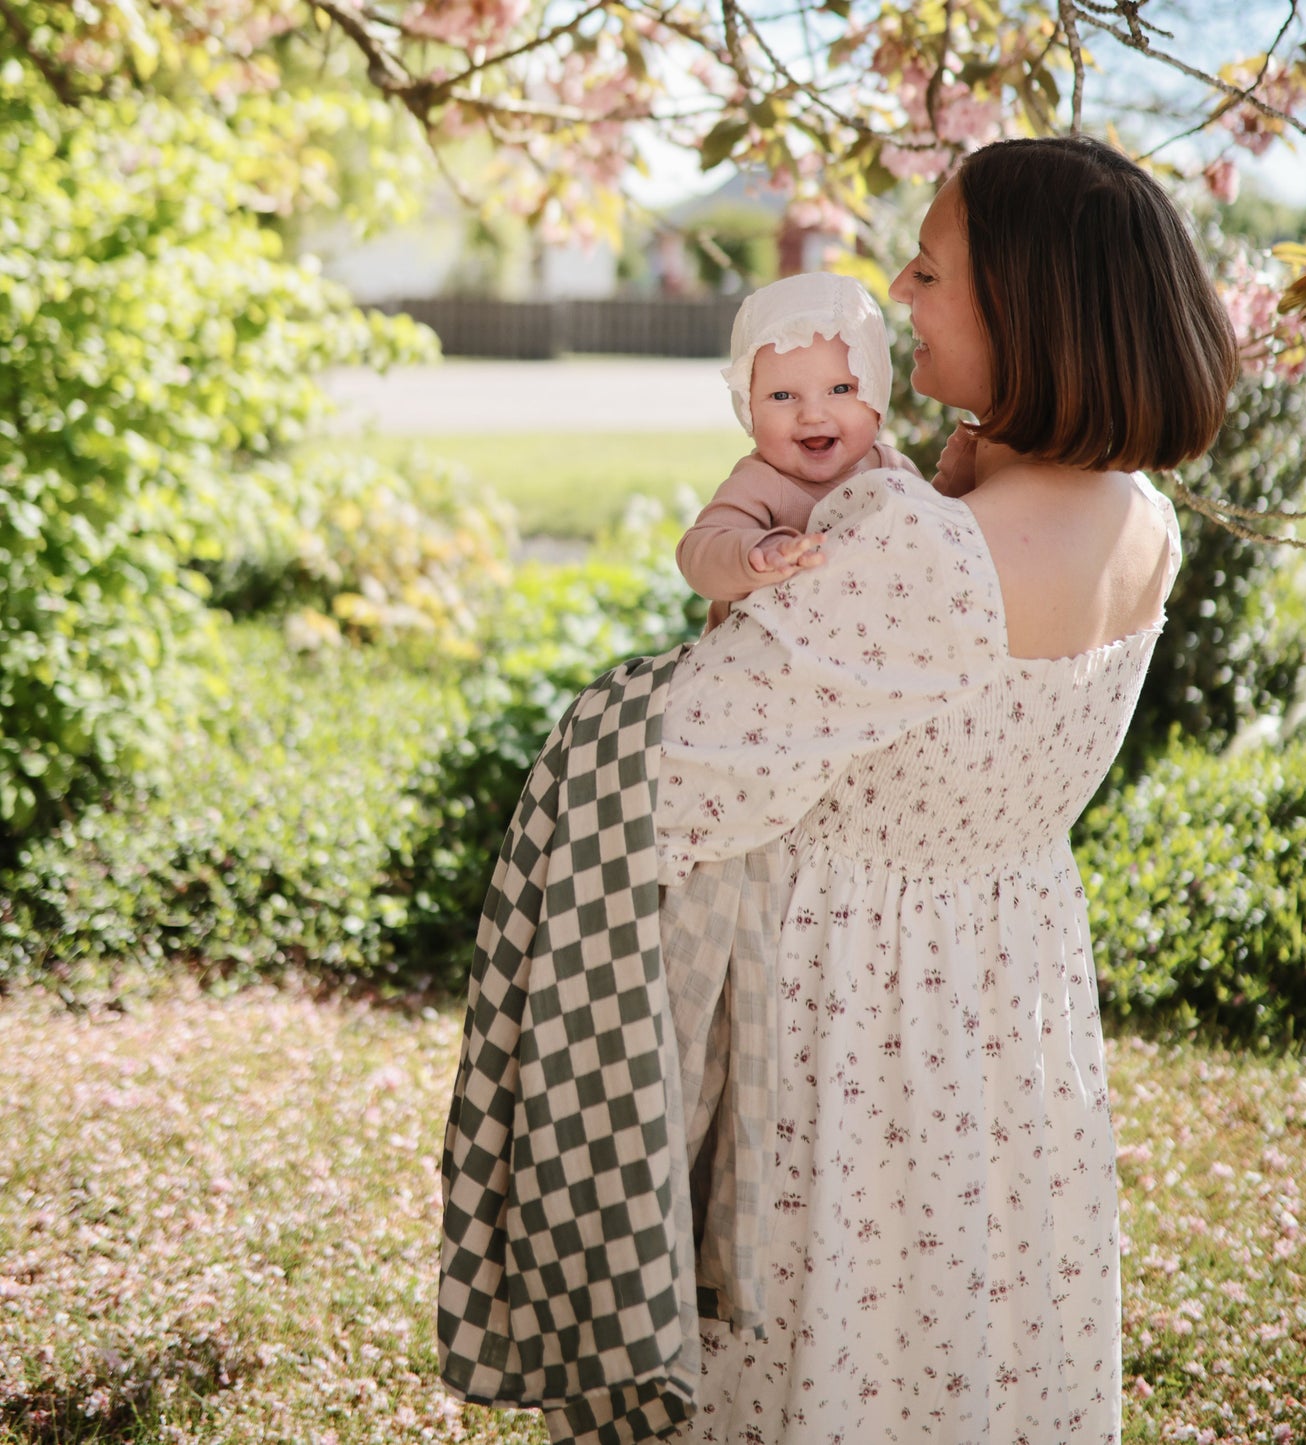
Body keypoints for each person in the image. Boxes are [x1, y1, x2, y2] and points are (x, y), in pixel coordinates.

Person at [438, 134, 1237, 1445]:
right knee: (969, 1337)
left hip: (853, 1020)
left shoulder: (920, 548)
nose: (899, 296)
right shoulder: (1137, 515)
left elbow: (679, 779)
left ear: (1030, 307)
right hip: (1007, 997)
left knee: (828, 1353)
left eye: (930, 271)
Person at [677, 271, 922, 632]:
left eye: (840, 389)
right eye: (782, 396)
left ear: (875, 392)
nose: (812, 415)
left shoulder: (895, 471)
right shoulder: (762, 481)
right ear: (748, 407)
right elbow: (698, 555)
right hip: (762, 670)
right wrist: (756, 553)